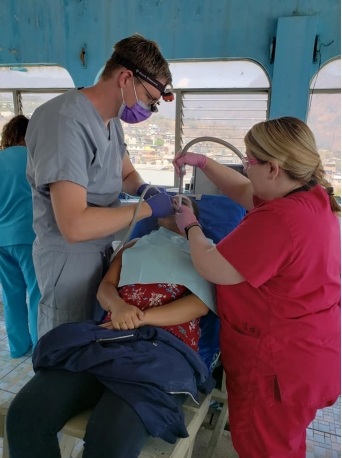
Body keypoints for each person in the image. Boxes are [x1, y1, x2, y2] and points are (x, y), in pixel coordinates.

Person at [172, 116, 341, 458]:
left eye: (250, 161)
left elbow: (211, 265)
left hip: (274, 368)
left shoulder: (279, 221)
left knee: (264, 448)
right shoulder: (309, 196)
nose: (246, 168)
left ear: (274, 168)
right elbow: (244, 191)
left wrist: (190, 225)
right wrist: (204, 162)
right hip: (310, 351)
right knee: (284, 441)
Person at [6, 196, 216, 458]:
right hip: (108, 337)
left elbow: (199, 305)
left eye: (183, 203)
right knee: (25, 416)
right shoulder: (133, 246)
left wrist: (142, 318)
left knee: (110, 441)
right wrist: (118, 307)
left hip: (163, 349)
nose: (175, 204)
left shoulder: (206, 252)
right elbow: (105, 287)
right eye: (171, 201)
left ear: (194, 216)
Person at [25, 34, 175, 338]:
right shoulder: (64, 121)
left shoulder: (110, 121)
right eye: (149, 100)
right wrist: (146, 209)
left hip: (98, 251)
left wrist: (145, 189)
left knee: (91, 339)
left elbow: (125, 173)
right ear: (125, 78)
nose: (148, 110)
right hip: (69, 258)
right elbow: (75, 225)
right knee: (67, 344)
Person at [0, 115, 40, 358]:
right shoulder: (35, 159)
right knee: (37, 292)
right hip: (29, 236)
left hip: (1, 239)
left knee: (11, 292)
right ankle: (39, 347)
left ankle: (17, 347)